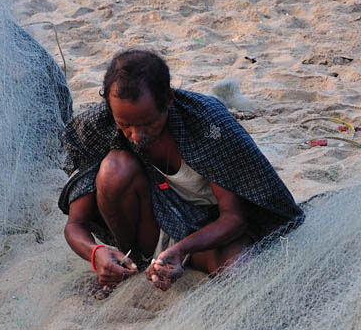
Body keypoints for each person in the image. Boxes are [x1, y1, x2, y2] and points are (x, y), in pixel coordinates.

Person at [59, 49, 303, 291]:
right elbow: (75, 224)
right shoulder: (99, 127)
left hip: (209, 235)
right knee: (114, 168)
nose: (136, 135)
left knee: (240, 271)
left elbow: (235, 218)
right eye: (125, 125)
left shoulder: (209, 126)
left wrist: (180, 249)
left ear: (169, 100)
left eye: (148, 124)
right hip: (152, 227)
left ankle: (168, 261)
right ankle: (130, 264)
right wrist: (96, 253)